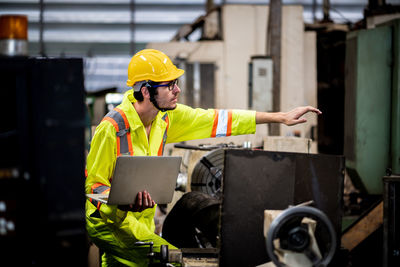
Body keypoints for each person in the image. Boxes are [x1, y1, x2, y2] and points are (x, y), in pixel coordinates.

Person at [85, 48, 321, 266]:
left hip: (141, 221)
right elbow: (94, 188)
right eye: (170, 85)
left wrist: (280, 117)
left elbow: (217, 120)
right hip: (110, 223)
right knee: (176, 260)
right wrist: (123, 202)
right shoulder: (112, 129)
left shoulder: (165, 118)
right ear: (146, 91)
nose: (177, 90)